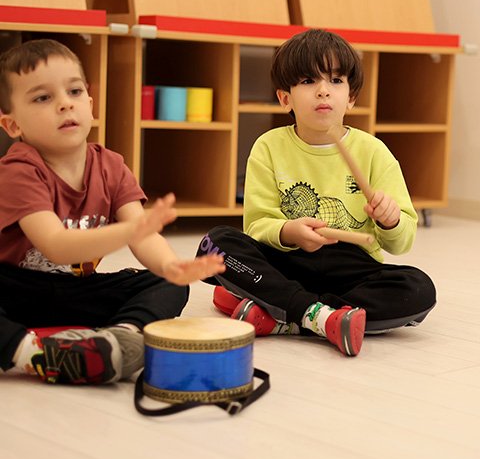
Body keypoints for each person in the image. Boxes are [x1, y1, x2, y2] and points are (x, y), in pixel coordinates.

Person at [197, 28, 436, 356]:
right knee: (215, 243)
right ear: (285, 99)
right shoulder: (268, 147)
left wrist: (390, 220)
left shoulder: (374, 152)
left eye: (336, 80)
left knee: (419, 288)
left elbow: (401, 242)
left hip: (351, 269)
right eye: (309, 81)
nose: (323, 90)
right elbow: (257, 226)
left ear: (351, 97)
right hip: (287, 261)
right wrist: (289, 231)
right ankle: (323, 316)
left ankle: (292, 314)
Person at [0, 39, 225, 385]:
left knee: (165, 283)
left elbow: (143, 236)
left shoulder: (111, 166)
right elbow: (55, 245)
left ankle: (121, 339)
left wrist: (171, 266)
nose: (64, 103)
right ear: (13, 125)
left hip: (77, 290)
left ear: (90, 105)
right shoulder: (19, 170)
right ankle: (33, 354)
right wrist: (131, 230)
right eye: (43, 98)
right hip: (15, 291)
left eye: (74, 91)